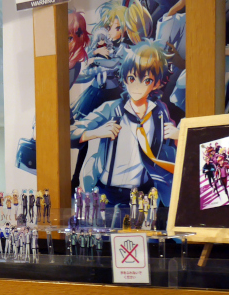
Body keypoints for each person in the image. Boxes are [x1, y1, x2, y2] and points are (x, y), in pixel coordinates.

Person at [72, 41, 179, 211]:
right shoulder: (111, 109)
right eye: (131, 78)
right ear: (124, 78)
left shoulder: (160, 111)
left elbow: (171, 150)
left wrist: (178, 136)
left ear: (157, 83)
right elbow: (70, 133)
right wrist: (96, 132)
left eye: (146, 80)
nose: (137, 86)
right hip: (107, 194)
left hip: (142, 196)